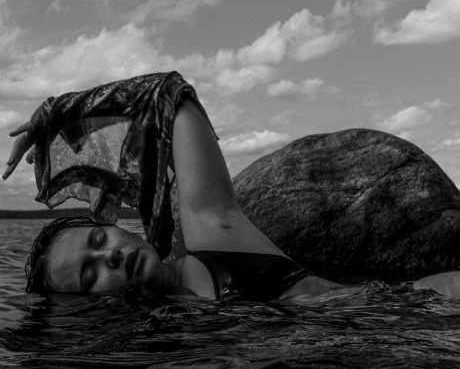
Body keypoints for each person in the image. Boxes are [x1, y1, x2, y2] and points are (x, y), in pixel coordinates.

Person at [2, 72, 340, 301]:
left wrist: (57, 112)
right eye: (90, 275)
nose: (111, 256)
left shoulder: (211, 233)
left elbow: (169, 93)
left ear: (118, 229)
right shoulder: (151, 341)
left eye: (100, 239)